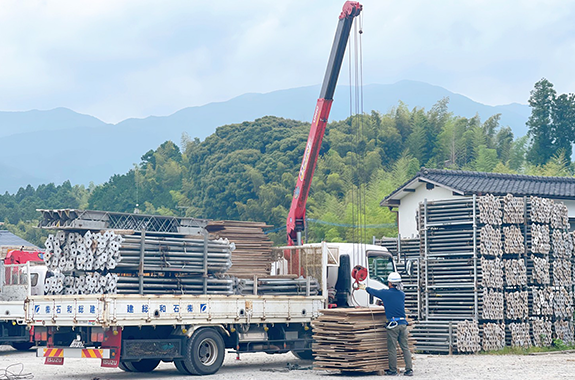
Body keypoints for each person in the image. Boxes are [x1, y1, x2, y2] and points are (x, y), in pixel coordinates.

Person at [359, 272, 413, 376]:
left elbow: (374, 292)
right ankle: (409, 370)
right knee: (405, 347)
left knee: (392, 348)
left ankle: (392, 370)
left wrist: (364, 287)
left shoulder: (385, 293)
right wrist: (384, 303)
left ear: (390, 283)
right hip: (403, 324)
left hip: (393, 325)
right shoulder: (402, 294)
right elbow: (394, 303)